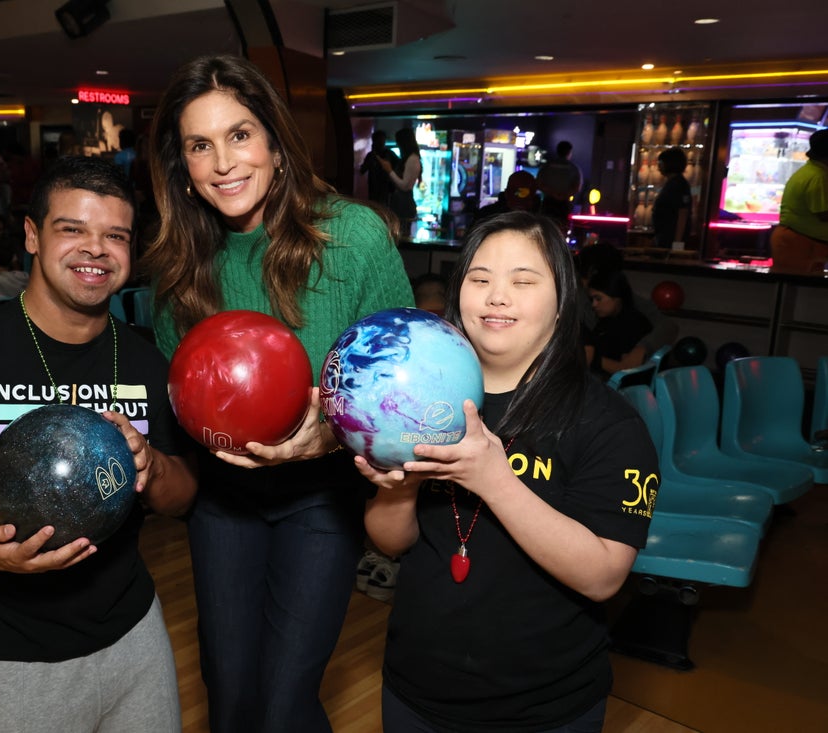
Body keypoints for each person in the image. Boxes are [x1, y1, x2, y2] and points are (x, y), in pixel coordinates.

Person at [142, 54, 414, 732]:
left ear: (273, 141)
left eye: (239, 135)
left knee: (285, 700)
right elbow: (183, 404)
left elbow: (400, 387)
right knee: (229, 690)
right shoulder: (181, 262)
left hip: (323, 497)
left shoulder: (353, 236)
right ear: (183, 167)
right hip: (224, 501)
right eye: (199, 145)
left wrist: (330, 432)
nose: (223, 162)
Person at [0, 155, 197, 732]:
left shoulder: (149, 363)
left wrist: (153, 466)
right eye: (72, 229)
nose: (95, 249)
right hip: (3, 653)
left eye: (114, 235)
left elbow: (181, 498)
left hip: (133, 636)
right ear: (31, 235)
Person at [360, 211, 657, 732]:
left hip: (544, 708)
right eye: (480, 279)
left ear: (563, 300)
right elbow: (390, 543)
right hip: (415, 689)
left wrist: (495, 480)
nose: (497, 297)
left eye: (523, 281)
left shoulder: (610, 423)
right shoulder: (415, 403)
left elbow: (604, 576)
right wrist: (398, 492)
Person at [575, 242, 677, 356]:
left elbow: (668, 326)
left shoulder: (619, 295)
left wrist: (642, 349)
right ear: (592, 273)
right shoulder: (575, 295)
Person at [770, 128, 828, 273]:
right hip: (798, 245)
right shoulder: (818, 177)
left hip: (800, 243)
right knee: (792, 289)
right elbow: (823, 214)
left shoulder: (812, 171)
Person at [582, 267, 653, 378]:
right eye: (592, 300)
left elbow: (626, 370)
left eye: (598, 299)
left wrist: (589, 356)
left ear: (617, 298)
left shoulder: (632, 324)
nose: (594, 304)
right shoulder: (606, 321)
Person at [380, 127, 422, 234]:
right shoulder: (409, 158)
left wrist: (389, 171)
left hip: (404, 205)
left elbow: (404, 186)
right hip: (402, 204)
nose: (398, 145)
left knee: (401, 237)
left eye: (399, 142)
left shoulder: (412, 159)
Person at [536, 140, 582, 232]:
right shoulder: (574, 168)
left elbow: (539, 183)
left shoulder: (546, 167)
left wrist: (552, 193)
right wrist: (563, 195)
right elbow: (577, 187)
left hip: (548, 203)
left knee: (546, 229)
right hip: (564, 204)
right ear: (569, 152)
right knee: (561, 230)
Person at [652, 147, 691, 249]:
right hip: (664, 237)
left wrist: (677, 243)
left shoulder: (679, 184)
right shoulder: (671, 183)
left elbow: (683, 213)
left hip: (670, 239)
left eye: (660, 164)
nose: (658, 167)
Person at [471, 170, 540, 224]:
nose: (519, 197)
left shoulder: (541, 220)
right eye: (515, 191)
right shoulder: (486, 216)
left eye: (524, 192)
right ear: (507, 193)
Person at [359, 129, 400, 207]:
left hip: (386, 189)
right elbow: (362, 170)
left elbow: (400, 165)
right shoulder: (371, 155)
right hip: (373, 189)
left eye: (382, 140)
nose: (381, 143)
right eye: (379, 141)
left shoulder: (390, 154)